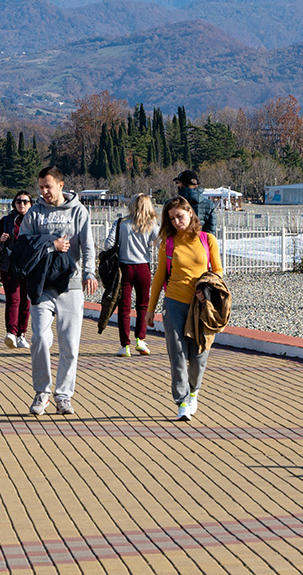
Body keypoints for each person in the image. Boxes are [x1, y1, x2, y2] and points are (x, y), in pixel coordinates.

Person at [19, 166, 97, 416]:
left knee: (70, 345)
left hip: (70, 285)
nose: (44, 192)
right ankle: (42, 392)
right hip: (41, 285)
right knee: (40, 338)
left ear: (61, 185)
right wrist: (51, 245)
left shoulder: (78, 211)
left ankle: (63, 395)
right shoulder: (34, 213)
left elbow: (88, 244)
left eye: (48, 187)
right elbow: (23, 246)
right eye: (40, 187)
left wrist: (89, 272)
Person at [145, 195, 223, 420]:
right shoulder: (168, 243)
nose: (177, 221)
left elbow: (217, 270)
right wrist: (151, 309)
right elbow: (159, 277)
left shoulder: (207, 240)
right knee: (177, 354)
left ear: (190, 213)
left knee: (199, 355)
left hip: (201, 305)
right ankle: (181, 402)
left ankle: (194, 391)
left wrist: (205, 289)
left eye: (180, 216)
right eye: (172, 218)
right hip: (174, 303)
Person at [101, 193, 158, 357]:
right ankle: (140, 340)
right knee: (143, 305)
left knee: (124, 307)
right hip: (143, 268)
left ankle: (125, 345)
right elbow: (162, 242)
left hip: (124, 268)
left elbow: (108, 244)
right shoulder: (151, 224)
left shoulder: (121, 223)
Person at [0, 190, 33, 350]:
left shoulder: (34, 221)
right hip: (9, 265)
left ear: (30, 204)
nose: (22, 204)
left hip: (29, 266)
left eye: (25, 201)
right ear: (14, 204)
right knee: (13, 299)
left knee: (26, 301)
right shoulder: (7, 220)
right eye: (18, 201)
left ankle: (21, 334)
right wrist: (0, 239)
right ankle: (11, 332)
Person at [174, 170, 218, 238]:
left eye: (178, 183)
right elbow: (211, 233)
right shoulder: (209, 205)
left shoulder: (173, 204)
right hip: (200, 244)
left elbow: (168, 230)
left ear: (182, 184)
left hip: (178, 244)